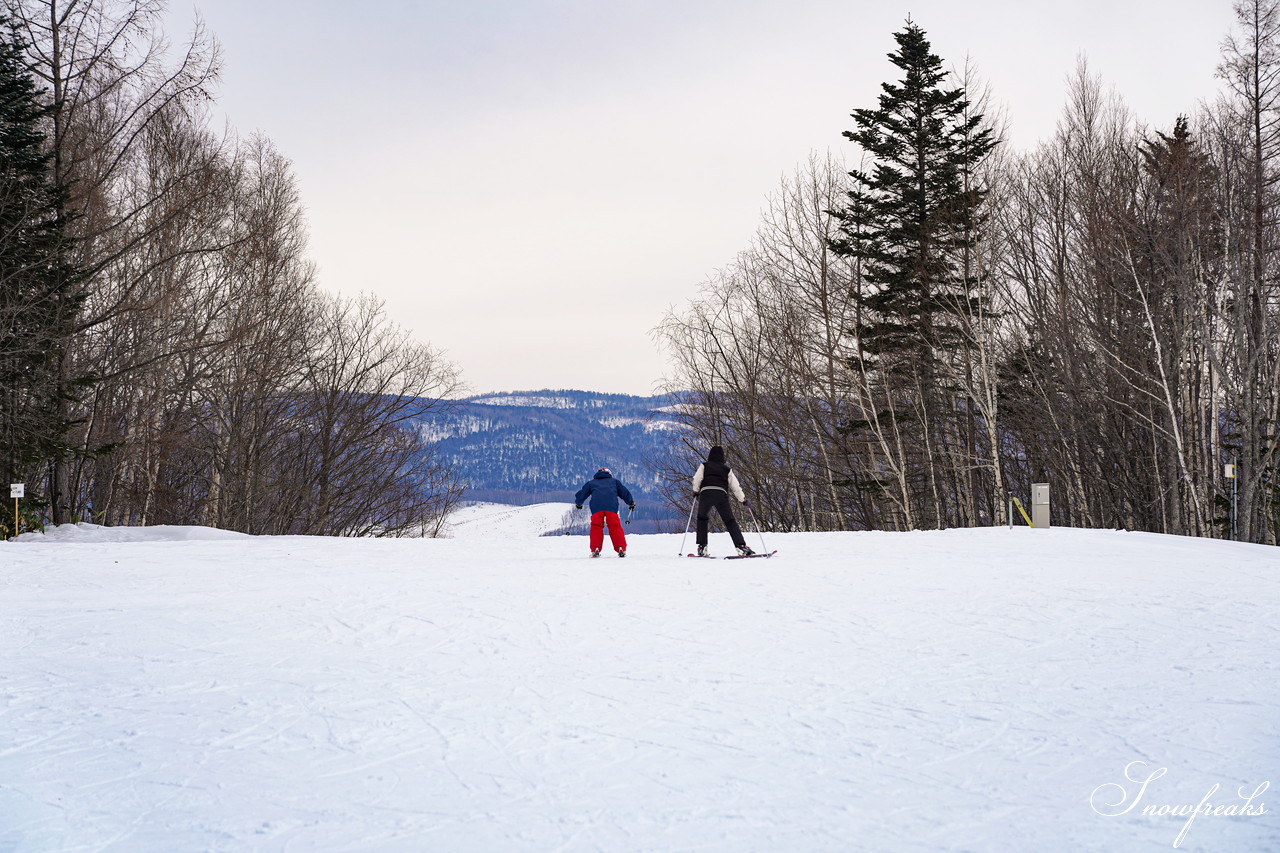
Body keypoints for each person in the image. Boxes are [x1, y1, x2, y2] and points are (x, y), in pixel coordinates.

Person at [692, 445, 754, 557]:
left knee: (702, 518)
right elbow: (735, 486)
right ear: (722, 457)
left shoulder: (704, 466)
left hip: (706, 494)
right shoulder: (727, 469)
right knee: (730, 521)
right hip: (721, 494)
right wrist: (742, 499)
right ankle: (741, 546)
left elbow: (697, 478)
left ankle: (702, 547)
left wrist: (696, 491)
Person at [574, 467, 635, 557]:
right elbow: (624, 493)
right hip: (611, 507)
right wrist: (631, 502)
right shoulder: (614, 482)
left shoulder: (591, 483)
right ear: (609, 474)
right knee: (615, 526)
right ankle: (620, 548)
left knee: (596, 527)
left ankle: (595, 549)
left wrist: (579, 503)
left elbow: (582, 494)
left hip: (596, 508)